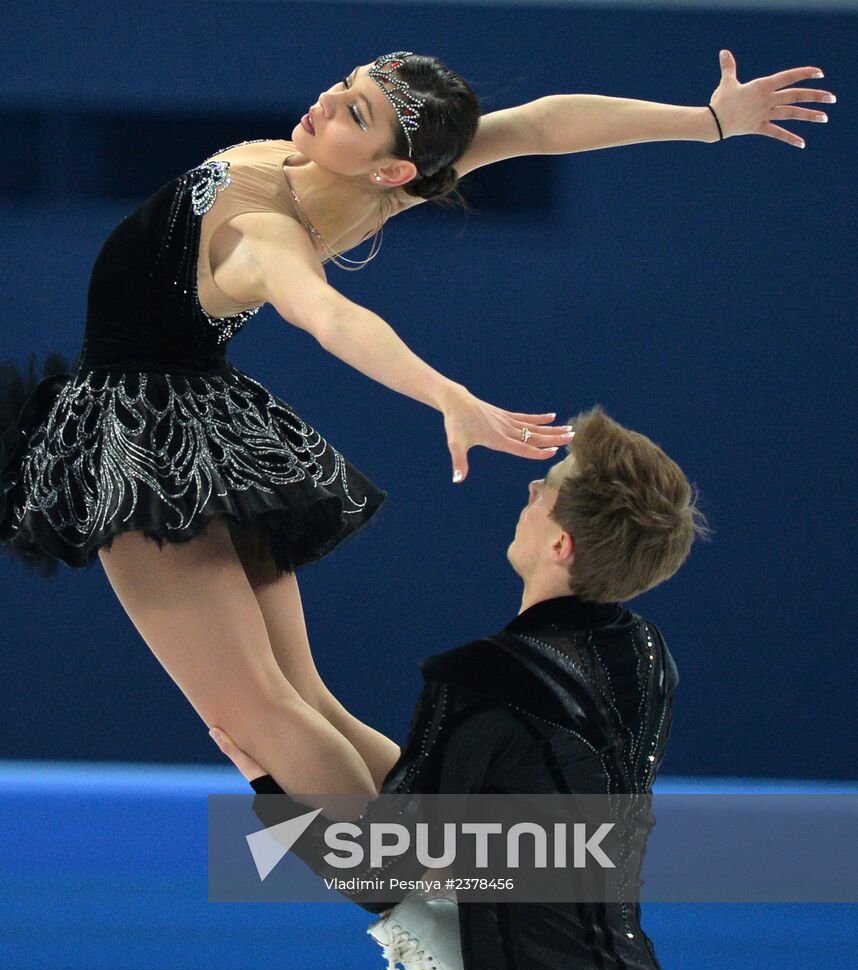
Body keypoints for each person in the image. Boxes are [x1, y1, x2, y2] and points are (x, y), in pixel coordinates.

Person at [0, 51, 831, 815]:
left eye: (355, 113)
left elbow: (331, 317)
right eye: (347, 85)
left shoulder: (264, 232)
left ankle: (410, 893)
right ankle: (471, 869)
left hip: (141, 441)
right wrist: (708, 121)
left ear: (392, 168)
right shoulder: (385, 184)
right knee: (299, 702)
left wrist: (445, 394)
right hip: (192, 417)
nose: (328, 102)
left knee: (263, 714)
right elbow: (539, 124)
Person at [210, 404, 709, 970]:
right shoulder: (646, 654)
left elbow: (379, 874)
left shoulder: (487, 676)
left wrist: (275, 801)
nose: (531, 488)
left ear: (560, 542)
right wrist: (309, 715)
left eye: (546, 487)